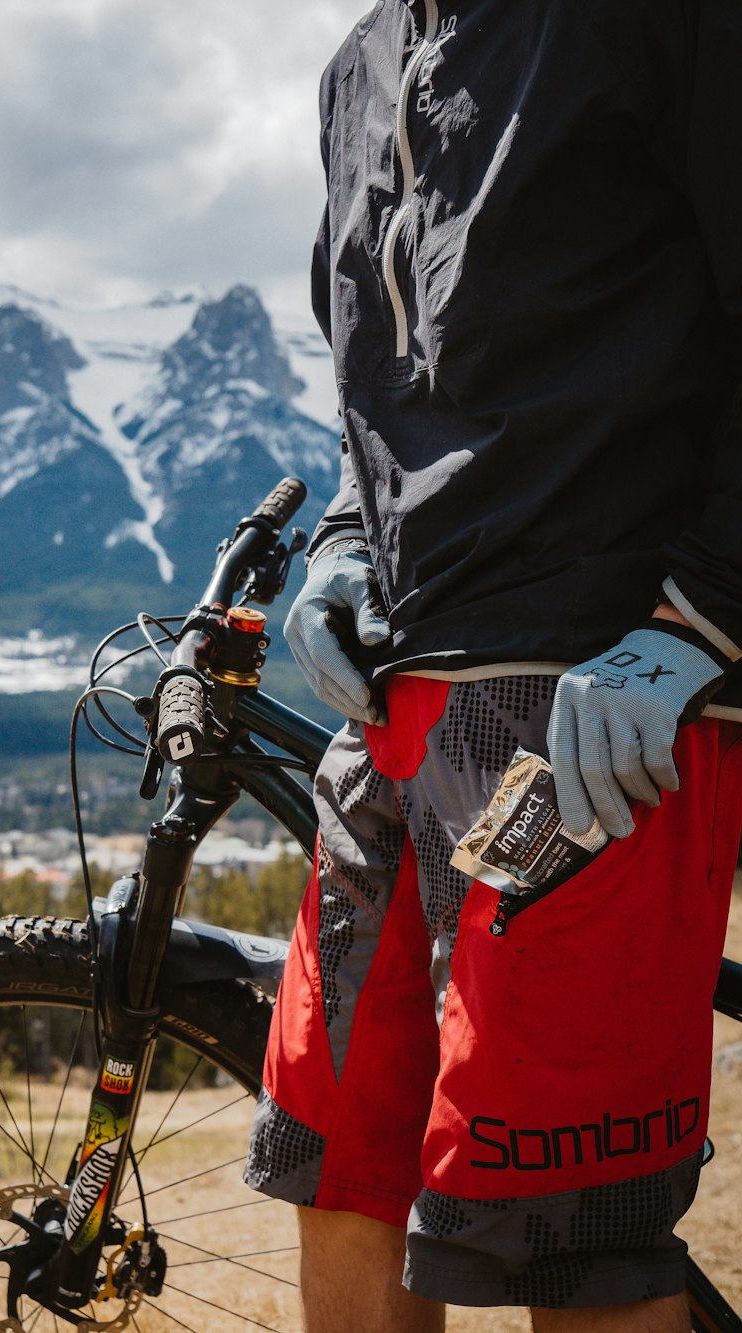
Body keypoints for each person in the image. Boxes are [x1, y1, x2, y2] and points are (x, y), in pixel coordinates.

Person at [243, 2, 742, 1330]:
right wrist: (350, 539)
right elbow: (378, 378)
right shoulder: (358, 66)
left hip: (590, 710)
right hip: (394, 717)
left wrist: (699, 618)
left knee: (569, 1242)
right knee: (343, 1170)